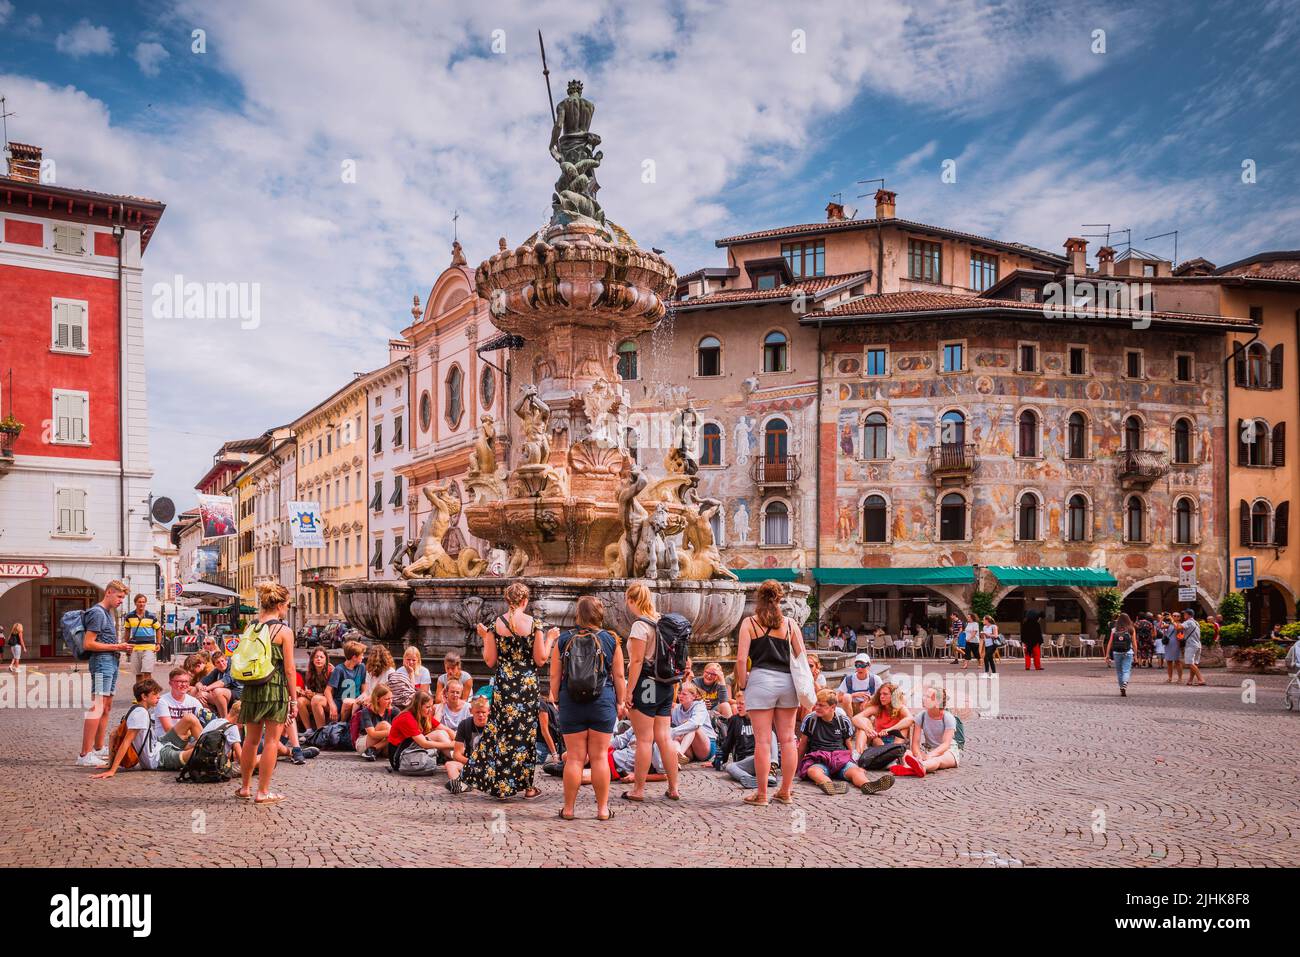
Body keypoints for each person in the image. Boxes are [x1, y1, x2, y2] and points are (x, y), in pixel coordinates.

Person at [462, 582, 556, 800]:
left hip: (504, 684)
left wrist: (486, 637)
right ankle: (527, 786)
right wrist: (550, 638)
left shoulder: (497, 624)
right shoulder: (534, 624)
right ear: (525, 601)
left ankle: (501, 784)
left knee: (501, 732)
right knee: (525, 735)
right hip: (526, 685)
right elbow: (541, 659)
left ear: (507, 601)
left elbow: (490, 661)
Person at [549, 594, 624, 821]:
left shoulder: (563, 640)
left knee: (574, 758)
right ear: (600, 614)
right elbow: (619, 675)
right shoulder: (611, 640)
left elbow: (555, 674)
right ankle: (602, 810)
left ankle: (569, 809)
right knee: (600, 757)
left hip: (571, 702)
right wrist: (621, 701)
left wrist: (556, 698)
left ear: (578, 614)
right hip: (602, 701)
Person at [733, 578, 804, 807]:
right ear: (780, 598)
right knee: (788, 740)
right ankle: (786, 791)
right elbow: (802, 656)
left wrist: (743, 685)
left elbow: (742, 659)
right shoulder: (790, 624)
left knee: (762, 742)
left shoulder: (750, 623)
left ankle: (762, 795)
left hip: (761, 680)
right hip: (787, 682)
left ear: (758, 598)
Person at [235, 583, 296, 805]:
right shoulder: (284, 631)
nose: (287, 608)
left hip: (252, 686)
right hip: (275, 687)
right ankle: (263, 791)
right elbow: (289, 669)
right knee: (271, 741)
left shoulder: (251, 627)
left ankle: (244, 787)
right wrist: (294, 699)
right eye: (287, 605)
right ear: (279, 605)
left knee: (250, 741)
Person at [621, 581, 682, 803]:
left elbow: (637, 661)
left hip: (646, 684)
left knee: (644, 739)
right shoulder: (661, 620)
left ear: (631, 600)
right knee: (665, 737)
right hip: (666, 684)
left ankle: (638, 789)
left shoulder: (640, 626)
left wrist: (629, 692)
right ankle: (673, 787)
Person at [797, 689, 894, 796]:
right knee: (813, 771)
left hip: (840, 758)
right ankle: (828, 784)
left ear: (833, 707)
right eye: (816, 704)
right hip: (819, 758)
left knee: (856, 772)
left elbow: (848, 744)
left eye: (821, 705)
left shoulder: (843, 721)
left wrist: (853, 763)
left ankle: (868, 785)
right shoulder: (810, 719)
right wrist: (798, 767)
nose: (817, 708)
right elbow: (803, 744)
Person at [78, 580, 133, 767]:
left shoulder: (108, 613)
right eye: (119, 597)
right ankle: (84, 754)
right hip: (102, 662)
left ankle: (99, 747)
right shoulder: (97, 612)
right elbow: (88, 643)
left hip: (111, 661)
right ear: (108, 592)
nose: (120, 601)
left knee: (106, 706)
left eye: (123, 598)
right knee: (97, 706)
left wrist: (120, 648)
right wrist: (118, 646)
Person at [713, 696, 778, 790]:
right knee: (730, 767)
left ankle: (772, 770)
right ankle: (752, 779)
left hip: (762, 757)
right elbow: (728, 743)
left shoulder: (761, 719)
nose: (738, 706)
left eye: (742, 704)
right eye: (737, 703)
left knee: (771, 733)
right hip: (745, 761)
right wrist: (716, 761)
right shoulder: (734, 720)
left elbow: (772, 744)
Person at [895, 686, 960, 776]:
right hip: (928, 750)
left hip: (948, 751)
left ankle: (918, 766)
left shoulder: (948, 718)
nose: (923, 698)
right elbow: (915, 743)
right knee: (907, 752)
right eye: (924, 695)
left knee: (937, 760)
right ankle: (913, 768)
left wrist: (930, 755)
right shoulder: (921, 716)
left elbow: (945, 744)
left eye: (928, 697)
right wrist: (918, 755)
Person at [386, 690, 454, 774]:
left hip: (410, 749)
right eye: (427, 707)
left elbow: (447, 729)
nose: (430, 710)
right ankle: (458, 759)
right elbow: (423, 743)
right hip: (399, 758)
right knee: (439, 734)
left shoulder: (424, 714)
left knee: (444, 733)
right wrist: (451, 745)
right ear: (418, 706)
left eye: (431, 706)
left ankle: (458, 757)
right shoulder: (406, 717)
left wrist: (458, 742)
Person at [851, 681, 914, 753]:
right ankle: (857, 754)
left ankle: (894, 753)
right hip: (878, 741)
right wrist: (867, 729)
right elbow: (855, 718)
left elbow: (910, 719)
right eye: (880, 694)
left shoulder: (901, 708)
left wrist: (889, 729)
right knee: (864, 723)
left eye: (885, 694)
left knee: (905, 726)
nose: (881, 696)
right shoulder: (877, 708)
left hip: (896, 742)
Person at [445, 695, 490, 793]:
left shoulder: (493, 726)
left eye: (483, 712)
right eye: (477, 712)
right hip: (470, 763)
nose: (481, 715)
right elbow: (457, 754)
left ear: (489, 712)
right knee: (450, 765)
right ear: (471, 711)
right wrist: (473, 763)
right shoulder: (465, 725)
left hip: (489, 766)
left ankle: (463, 785)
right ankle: (463, 786)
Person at [670, 681, 717, 765]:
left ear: (694, 696)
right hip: (688, 747)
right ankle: (678, 758)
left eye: (684, 694)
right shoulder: (676, 709)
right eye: (679, 693)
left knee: (693, 727)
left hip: (705, 747)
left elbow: (695, 724)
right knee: (676, 737)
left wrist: (672, 732)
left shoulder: (700, 705)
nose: (680, 696)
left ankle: (679, 753)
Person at [119, 594, 161, 679]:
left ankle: (147, 692)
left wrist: (158, 643)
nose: (141, 604)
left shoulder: (151, 616)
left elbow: (158, 629)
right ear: (135, 603)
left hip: (149, 648)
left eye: (143, 602)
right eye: (139, 602)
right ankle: (139, 692)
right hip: (135, 648)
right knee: (138, 674)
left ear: (145, 603)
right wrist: (126, 645)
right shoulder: (129, 616)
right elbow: (127, 630)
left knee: (147, 672)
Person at [327, 640, 367, 723]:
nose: (363, 657)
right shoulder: (339, 669)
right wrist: (332, 705)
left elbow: (364, 689)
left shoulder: (361, 667)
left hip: (356, 701)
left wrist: (363, 698)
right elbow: (327, 691)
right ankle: (341, 725)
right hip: (340, 702)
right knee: (347, 702)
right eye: (361, 655)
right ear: (354, 657)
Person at [354, 683, 397, 760]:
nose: (390, 701)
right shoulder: (366, 711)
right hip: (364, 742)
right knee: (384, 725)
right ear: (377, 699)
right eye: (387, 699)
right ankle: (370, 750)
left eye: (391, 698)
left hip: (382, 744)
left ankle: (373, 749)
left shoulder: (394, 710)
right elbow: (372, 734)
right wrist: (394, 732)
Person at [388, 645, 431, 711]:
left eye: (414, 660)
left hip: (421, 701)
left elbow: (423, 694)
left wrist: (411, 674)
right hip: (403, 701)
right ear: (404, 659)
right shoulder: (399, 671)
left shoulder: (424, 671)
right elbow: (397, 691)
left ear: (418, 660)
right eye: (408, 659)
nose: (411, 662)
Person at [1104, 612, 1137, 696]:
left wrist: (1107, 654)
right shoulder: (1131, 629)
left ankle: (1121, 687)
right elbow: (1134, 643)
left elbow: (1110, 643)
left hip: (1117, 652)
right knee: (1126, 670)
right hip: (1128, 652)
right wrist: (1136, 655)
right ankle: (1125, 684)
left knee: (1119, 671)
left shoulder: (1114, 629)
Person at [301, 646, 333, 729]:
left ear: (326, 659)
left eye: (321, 657)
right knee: (300, 701)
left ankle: (321, 732)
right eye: (316, 657)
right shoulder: (309, 673)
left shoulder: (331, 672)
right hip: (315, 700)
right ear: (312, 659)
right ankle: (309, 730)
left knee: (316, 699)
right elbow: (310, 691)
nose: (318, 659)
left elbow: (332, 694)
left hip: (330, 702)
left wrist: (314, 694)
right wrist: (305, 693)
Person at [1182, 610, 1207, 687]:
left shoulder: (1188, 622)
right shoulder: (1196, 622)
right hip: (1197, 644)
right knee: (1194, 663)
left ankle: (1201, 679)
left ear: (1188, 615)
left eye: (1184, 614)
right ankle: (1190, 680)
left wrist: (1172, 620)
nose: (1183, 615)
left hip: (1191, 645)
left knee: (1190, 663)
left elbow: (1178, 627)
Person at [1163, 613, 1184, 684]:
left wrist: (1172, 620)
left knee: (1177, 661)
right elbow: (1160, 626)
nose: (1175, 617)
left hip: (1176, 644)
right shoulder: (1169, 624)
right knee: (1169, 661)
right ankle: (1170, 678)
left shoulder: (1180, 624)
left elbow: (1177, 628)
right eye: (1174, 616)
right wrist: (1162, 618)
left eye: (1177, 616)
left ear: (1180, 617)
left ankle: (1180, 678)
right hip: (1168, 644)